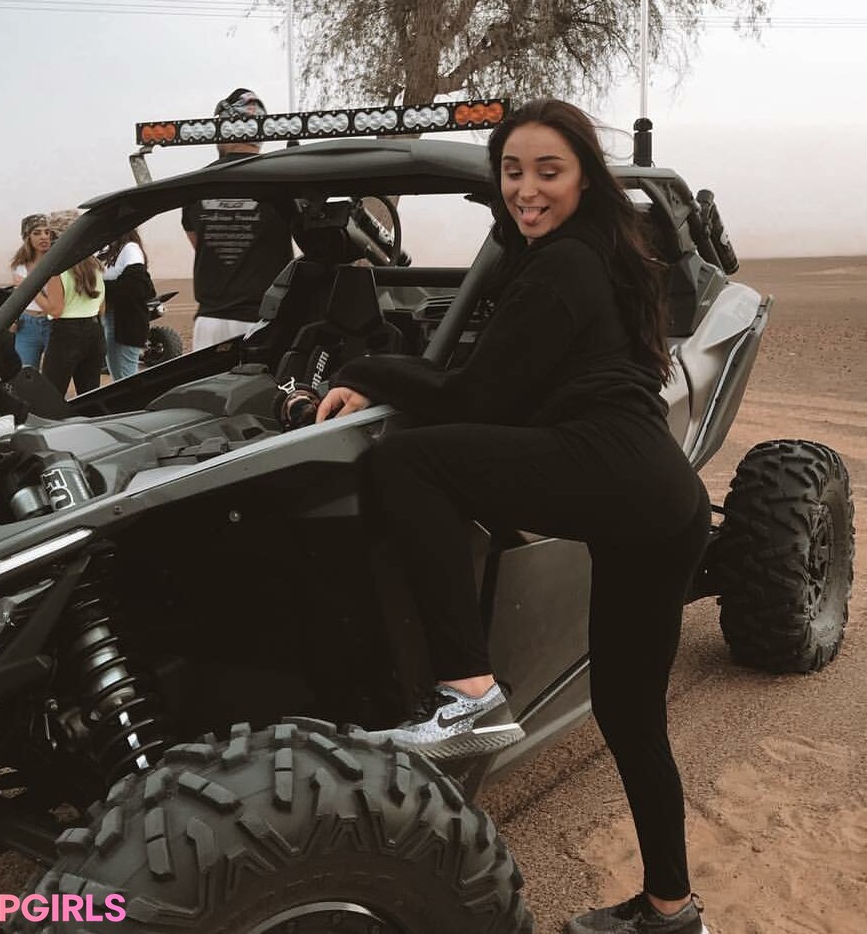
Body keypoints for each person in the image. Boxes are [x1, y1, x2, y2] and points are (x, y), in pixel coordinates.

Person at [315, 99, 712, 934]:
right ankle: (672, 912)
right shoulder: (597, 254)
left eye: (548, 171)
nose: (526, 189)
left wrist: (367, 370)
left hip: (614, 473)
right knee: (632, 717)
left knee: (406, 462)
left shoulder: (563, 263)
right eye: (512, 171)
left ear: (584, 178)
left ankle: (469, 692)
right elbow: (515, 388)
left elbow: (476, 397)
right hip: (660, 500)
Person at [181, 88, 293, 350]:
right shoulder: (284, 182)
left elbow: (201, 244)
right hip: (266, 319)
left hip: (210, 321)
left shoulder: (195, 186)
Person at [38, 243, 106, 397]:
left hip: (66, 332)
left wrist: (35, 293)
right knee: (89, 394)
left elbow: (55, 311)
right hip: (95, 329)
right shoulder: (95, 266)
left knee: (51, 393)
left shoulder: (58, 272)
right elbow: (102, 307)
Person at [99, 228, 154, 380]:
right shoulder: (111, 251)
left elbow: (136, 285)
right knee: (118, 375)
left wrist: (102, 288)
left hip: (126, 321)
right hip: (112, 318)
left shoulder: (130, 249)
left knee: (126, 376)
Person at [9, 214, 53, 367]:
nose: (44, 237)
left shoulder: (56, 263)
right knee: (24, 372)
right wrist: (13, 319)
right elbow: (17, 297)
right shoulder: (19, 266)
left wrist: (27, 285)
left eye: (47, 232)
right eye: (37, 233)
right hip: (26, 324)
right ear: (27, 237)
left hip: (53, 324)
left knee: (54, 374)